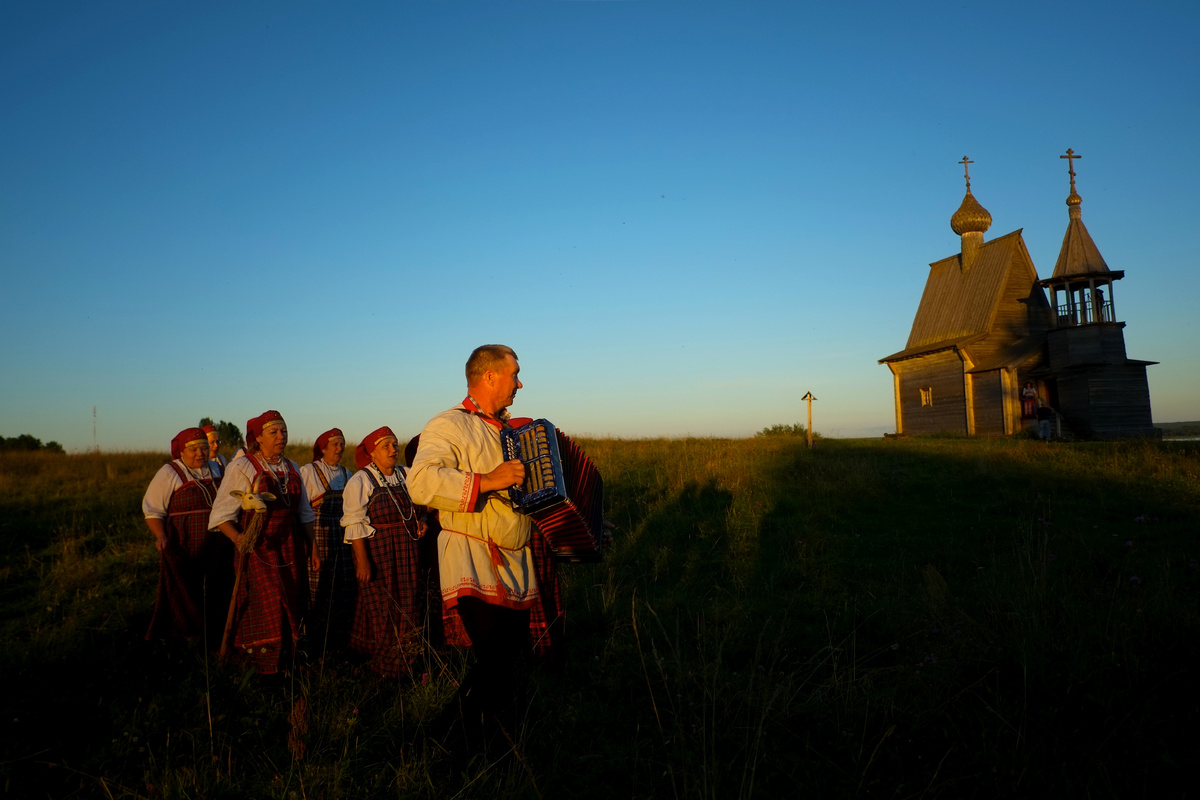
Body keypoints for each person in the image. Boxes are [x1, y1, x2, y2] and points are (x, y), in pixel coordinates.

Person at [407, 344, 538, 740]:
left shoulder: (514, 432)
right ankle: (442, 741)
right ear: (489, 376)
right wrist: (489, 480)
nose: (521, 382)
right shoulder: (449, 424)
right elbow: (420, 482)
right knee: (495, 656)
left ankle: (482, 740)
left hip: (517, 559)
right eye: (515, 373)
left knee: (506, 659)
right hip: (471, 551)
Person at [208, 410, 319, 675]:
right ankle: (259, 666)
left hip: (291, 546)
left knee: (293, 601)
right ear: (258, 437)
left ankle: (289, 662)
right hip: (258, 548)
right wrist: (240, 539)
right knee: (268, 603)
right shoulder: (243, 466)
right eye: (274, 432)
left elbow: (304, 512)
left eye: (284, 431)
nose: (282, 436)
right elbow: (221, 515)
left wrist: (313, 547)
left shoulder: (292, 467)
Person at [341, 426, 428, 677]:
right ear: (372, 454)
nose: (393, 449)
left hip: (407, 550)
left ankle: (405, 658)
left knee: (409, 601)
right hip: (379, 552)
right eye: (386, 446)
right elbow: (354, 523)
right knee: (382, 605)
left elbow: (420, 505)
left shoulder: (406, 474)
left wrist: (421, 521)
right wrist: (363, 562)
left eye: (394, 444)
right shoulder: (361, 480)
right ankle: (387, 666)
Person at [143, 426, 232, 643]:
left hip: (218, 543)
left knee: (219, 586)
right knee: (188, 589)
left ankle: (218, 633)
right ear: (182, 451)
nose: (200, 453)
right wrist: (161, 535)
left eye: (203, 448)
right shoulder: (170, 472)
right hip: (186, 543)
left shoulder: (217, 468)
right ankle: (191, 636)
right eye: (194, 450)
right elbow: (153, 509)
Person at [299, 428, 354, 654]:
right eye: (335, 444)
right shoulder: (308, 472)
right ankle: (313, 643)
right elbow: (302, 511)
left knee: (344, 588)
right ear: (322, 448)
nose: (340, 449)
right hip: (319, 538)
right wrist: (310, 546)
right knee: (318, 590)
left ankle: (340, 641)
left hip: (343, 539)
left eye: (342, 444)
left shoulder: (348, 474)